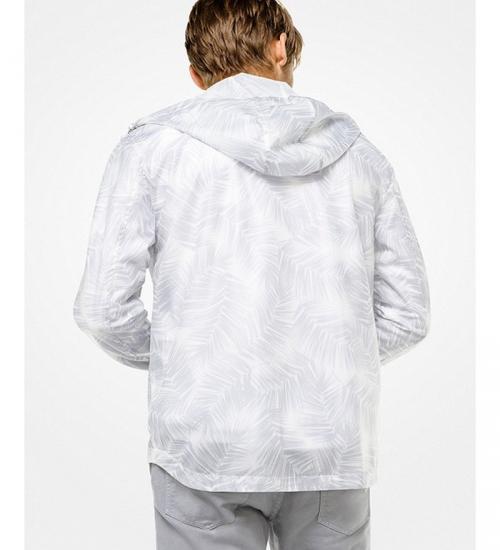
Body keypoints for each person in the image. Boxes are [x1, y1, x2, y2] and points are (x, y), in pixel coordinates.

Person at [74, 1, 430, 548]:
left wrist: (193, 361)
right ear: (281, 46)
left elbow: (103, 310)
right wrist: (321, 360)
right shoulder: (360, 156)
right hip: (329, 443)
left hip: (204, 441)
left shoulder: (150, 150)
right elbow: (408, 314)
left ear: (197, 75)